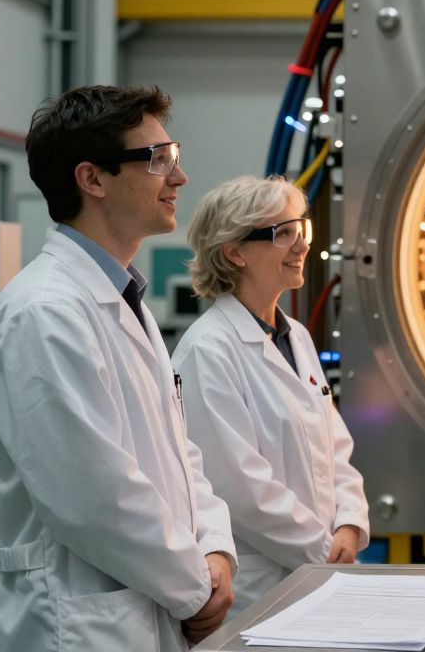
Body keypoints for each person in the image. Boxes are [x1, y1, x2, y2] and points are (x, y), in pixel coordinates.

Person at [0, 86, 237, 651]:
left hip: (142, 604)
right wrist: (194, 588)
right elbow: (93, 497)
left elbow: (178, 454)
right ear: (93, 179)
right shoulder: (45, 313)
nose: (179, 178)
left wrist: (214, 548)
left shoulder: (119, 300)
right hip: (76, 624)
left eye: (175, 156)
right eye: (158, 160)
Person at [173, 176, 370, 614]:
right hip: (263, 584)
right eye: (283, 234)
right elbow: (238, 486)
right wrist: (323, 549)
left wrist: (350, 522)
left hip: (321, 571)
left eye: (301, 229)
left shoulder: (294, 336)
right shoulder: (208, 349)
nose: (301, 245)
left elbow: (335, 446)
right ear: (235, 251)